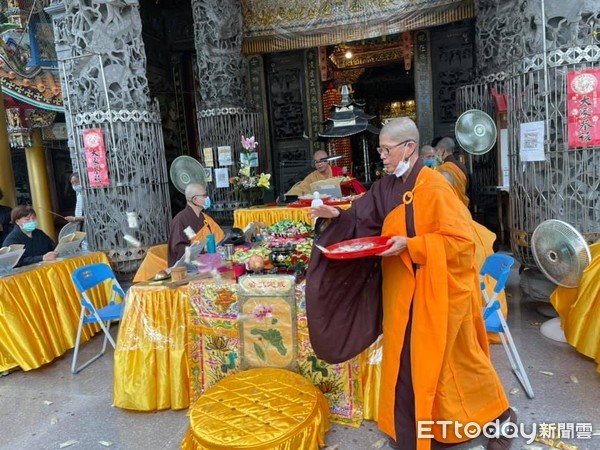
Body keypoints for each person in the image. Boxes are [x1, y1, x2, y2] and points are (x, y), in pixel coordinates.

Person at [307, 117, 514, 450]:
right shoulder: (386, 187)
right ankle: (417, 434)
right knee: (409, 365)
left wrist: (414, 246)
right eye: (380, 149)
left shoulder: (434, 186)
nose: (383, 156)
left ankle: (500, 418)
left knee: (458, 365)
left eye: (387, 149)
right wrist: (337, 216)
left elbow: (462, 244)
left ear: (409, 148)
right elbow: (362, 219)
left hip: (440, 293)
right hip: (404, 294)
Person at [167, 183, 225, 267]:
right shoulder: (180, 220)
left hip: (208, 260)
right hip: (187, 266)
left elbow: (219, 238)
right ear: (195, 200)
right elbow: (178, 248)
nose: (207, 198)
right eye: (205, 196)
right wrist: (203, 249)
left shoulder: (205, 218)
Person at [286, 150, 366, 197]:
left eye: (321, 161)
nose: (319, 164)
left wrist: (348, 185)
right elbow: (301, 188)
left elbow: (353, 183)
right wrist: (286, 196)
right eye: (316, 162)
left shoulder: (338, 171)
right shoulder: (313, 176)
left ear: (327, 161)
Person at [434, 137, 470, 207]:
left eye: (436, 151)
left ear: (442, 151)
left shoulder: (442, 169)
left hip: (450, 207)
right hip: (462, 207)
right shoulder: (461, 166)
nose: (436, 154)